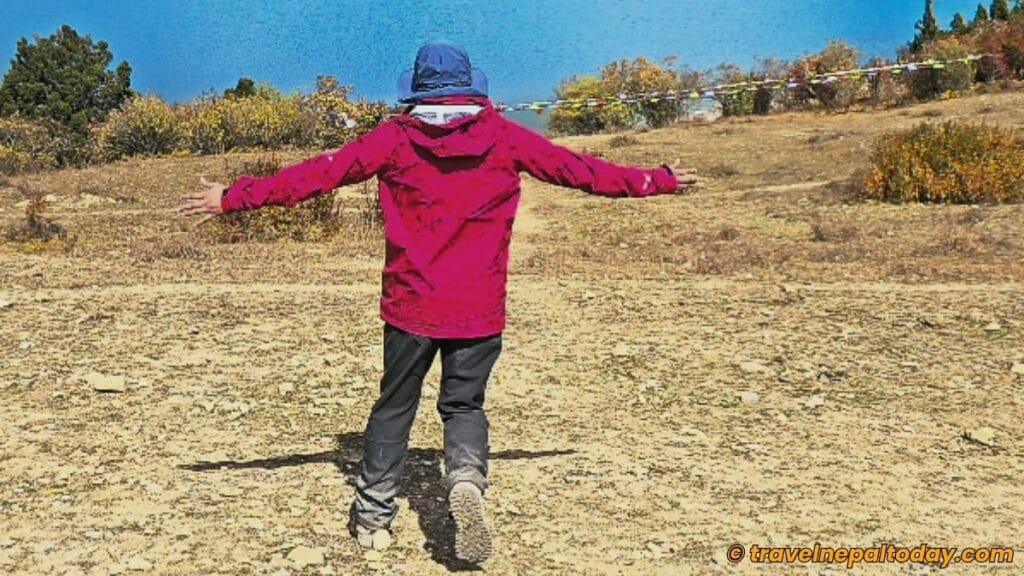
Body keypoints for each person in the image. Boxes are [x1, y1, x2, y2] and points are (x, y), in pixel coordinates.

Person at [179, 41, 697, 564]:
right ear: (472, 86)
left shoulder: (392, 141)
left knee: (395, 405)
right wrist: (659, 180)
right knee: (464, 405)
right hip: (479, 306)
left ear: (417, 89)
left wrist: (232, 197)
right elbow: (583, 171)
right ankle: (467, 478)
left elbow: (319, 174)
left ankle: (374, 516)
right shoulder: (508, 138)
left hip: (411, 307)